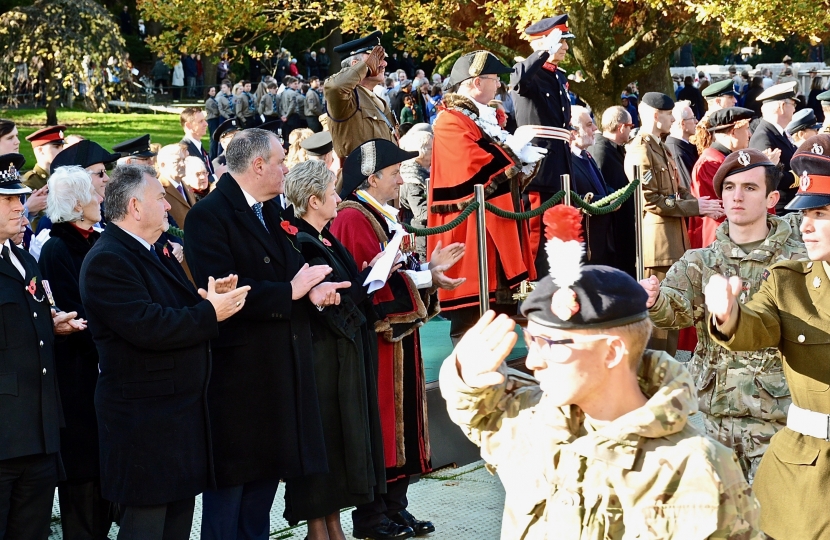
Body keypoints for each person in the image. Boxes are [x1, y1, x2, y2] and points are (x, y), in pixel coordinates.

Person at [439, 204, 762, 539]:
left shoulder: (694, 469)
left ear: (611, 352)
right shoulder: (535, 423)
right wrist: (464, 373)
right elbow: (476, 410)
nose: (533, 362)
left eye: (550, 344)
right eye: (530, 339)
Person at [183, 128, 341, 540]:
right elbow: (224, 292)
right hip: (239, 379)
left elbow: (289, 272)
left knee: (261, 495)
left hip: (278, 371)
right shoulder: (209, 216)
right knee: (230, 496)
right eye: (279, 161)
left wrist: (314, 292)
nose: (285, 168)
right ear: (257, 166)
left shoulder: (270, 210)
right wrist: (291, 291)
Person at [79, 164, 249, 540]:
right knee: (146, 525)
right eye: (160, 199)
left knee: (176, 523)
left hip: (175, 417)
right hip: (144, 424)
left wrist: (212, 299)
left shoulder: (154, 251)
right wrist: (209, 313)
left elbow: (175, 307)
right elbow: (148, 325)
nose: (169, 207)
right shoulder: (109, 259)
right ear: (136, 207)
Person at [642, 148, 803, 483]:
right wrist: (654, 299)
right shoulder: (699, 261)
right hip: (716, 418)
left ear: (772, 197)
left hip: (779, 419)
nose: (737, 197)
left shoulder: (797, 260)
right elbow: (675, 312)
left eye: (749, 188)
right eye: (729, 188)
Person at [331, 138, 465, 540]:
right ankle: (372, 517)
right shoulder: (353, 218)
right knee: (382, 427)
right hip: (377, 341)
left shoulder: (382, 213)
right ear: (371, 178)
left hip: (398, 340)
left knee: (401, 423)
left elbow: (393, 270)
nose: (400, 180)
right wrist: (424, 276)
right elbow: (368, 285)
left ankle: (395, 508)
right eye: (393, 174)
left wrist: (429, 271)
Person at [703, 133, 830, 539]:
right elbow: (754, 326)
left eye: (822, 214)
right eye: (805, 215)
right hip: (806, 476)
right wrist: (728, 314)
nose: (807, 228)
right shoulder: (789, 284)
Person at [281, 159, 385, 540]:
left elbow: (344, 287)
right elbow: (334, 300)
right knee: (325, 439)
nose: (338, 198)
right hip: (322, 359)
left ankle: (332, 525)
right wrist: (370, 278)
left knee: (340, 442)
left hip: (339, 355)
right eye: (331, 193)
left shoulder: (322, 236)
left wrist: (371, 272)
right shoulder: (303, 240)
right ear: (312, 200)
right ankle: (319, 529)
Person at [428, 50, 545, 344]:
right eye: (494, 79)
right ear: (477, 82)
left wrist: (520, 160)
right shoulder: (450, 121)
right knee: (471, 325)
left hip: (495, 224)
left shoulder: (481, 118)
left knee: (498, 317)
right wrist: (513, 153)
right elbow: (473, 166)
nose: (499, 86)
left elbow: (501, 170)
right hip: (471, 231)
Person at [0, 153, 86, 540]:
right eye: (7, 200)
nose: (20, 206)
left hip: (39, 430)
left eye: (19, 197)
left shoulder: (23, 260)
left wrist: (52, 326)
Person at [37, 166, 110, 540]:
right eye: (93, 193)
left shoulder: (97, 239)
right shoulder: (56, 248)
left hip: (104, 376)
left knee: (102, 478)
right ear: (78, 204)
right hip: (79, 378)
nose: (101, 198)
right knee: (82, 481)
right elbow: (70, 312)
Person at [624, 92, 723, 355]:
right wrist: (695, 207)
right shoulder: (641, 149)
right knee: (658, 317)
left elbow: (678, 190)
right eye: (669, 115)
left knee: (673, 308)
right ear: (656, 116)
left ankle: (666, 369)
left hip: (673, 241)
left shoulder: (661, 147)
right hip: (658, 246)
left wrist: (703, 206)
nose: (672, 121)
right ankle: (656, 371)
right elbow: (651, 200)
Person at [511, 14, 574, 276]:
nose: (566, 47)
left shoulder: (557, 76)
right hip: (539, 167)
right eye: (561, 42)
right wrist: (544, 51)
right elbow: (519, 82)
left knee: (560, 234)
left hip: (559, 164)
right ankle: (534, 286)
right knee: (536, 232)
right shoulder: (528, 71)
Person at [690, 107, 755, 249]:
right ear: (733, 132)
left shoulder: (722, 159)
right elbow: (722, 207)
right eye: (746, 129)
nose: (749, 134)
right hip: (718, 240)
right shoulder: (711, 162)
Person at [325, 32, 397, 159]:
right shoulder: (347, 99)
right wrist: (366, 68)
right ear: (355, 66)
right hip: (361, 177)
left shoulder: (376, 100)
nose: (384, 63)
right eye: (376, 59)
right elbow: (334, 87)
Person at [589, 105, 636, 277]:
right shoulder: (601, 151)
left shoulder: (616, 150)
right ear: (622, 127)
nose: (631, 131)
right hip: (613, 235)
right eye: (630, 127)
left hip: (623, 227)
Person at [569, 105, 614, 266]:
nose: (595, 128)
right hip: (583, 243)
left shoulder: (586, 155)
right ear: (573, 132)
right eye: (589, 125)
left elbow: (600, 184)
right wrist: (607, 201)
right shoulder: (567, 161)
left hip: (600, 241)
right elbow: (571, 197)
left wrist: (615, 195)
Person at [748, 82, 798, 213]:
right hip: (780, 210)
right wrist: (799, 176)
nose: (795, 109)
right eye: (793, 104)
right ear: (782, 107)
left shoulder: (777, 132)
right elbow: (769, 176)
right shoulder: (763, 137)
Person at [398, 128, 432, 261]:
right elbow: (422, 213)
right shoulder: (412, 177)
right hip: (419, 239)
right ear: (421, 152)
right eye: (431, 149)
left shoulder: (422, 172)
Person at [23, 125, 66, 229]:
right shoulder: (30, 183)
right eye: (56, 147)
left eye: (62, 147)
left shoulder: (62, 178)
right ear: (40, 150)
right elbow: (33, 223)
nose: (61, 151)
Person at [664, 100, 698, 191]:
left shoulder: (683, 147)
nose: (696, 121)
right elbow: (689, 189)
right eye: (693, 118)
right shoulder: (677, 153)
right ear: (683, 123)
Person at [180, 106, 214, 177]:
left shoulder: (199, 146)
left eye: (204, 120)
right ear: (189, 125)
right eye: (201, 121)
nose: (206, 124)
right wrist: (216, 176)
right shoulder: (184, 151)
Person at [280, 77, 306, 144]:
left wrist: (283, 115)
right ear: (290, 84)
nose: (297, 85)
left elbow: (281, 106)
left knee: (287, 134)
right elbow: (292, 106)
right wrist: (287, 115)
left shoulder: (283, 92)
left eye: (297, 84)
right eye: (295, 84)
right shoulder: (293, 93)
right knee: (294, 134)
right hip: (292, 116)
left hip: (285, 116)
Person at [205, 86, 222, 159]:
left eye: (214, 91)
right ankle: (212, 156)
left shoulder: (213, 100)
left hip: (215, 119)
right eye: (212, 91)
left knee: (215, 138)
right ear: (208, 92)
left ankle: (214, 154)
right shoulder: (209, 101)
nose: (213, 92)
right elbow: (215, 111)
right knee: (213, 138)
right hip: (212, 120)